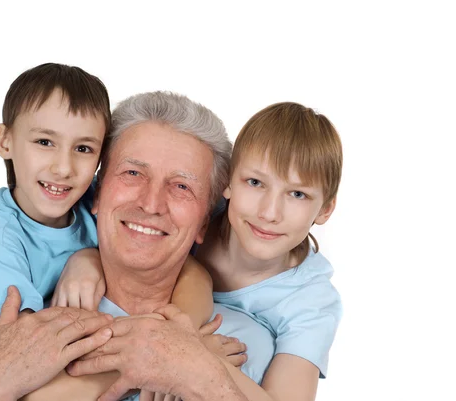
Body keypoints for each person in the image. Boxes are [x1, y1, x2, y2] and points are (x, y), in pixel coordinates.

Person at [0, 91, 276, 401]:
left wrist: (196, 369)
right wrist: (148, 360)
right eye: (133, 173)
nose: (151, 204)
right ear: (96, 195)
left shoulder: (245, 343)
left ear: (204, 223)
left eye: (182, 186)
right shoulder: (20, 325)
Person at [54, 101, 344, 401]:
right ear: (228, 186)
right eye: (255, 182)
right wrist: (86, 258)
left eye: (297, 194)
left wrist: (188, 358)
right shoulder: (212, 214)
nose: (270, 212)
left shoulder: (311, 304)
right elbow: (188, 270)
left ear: (325, 209)